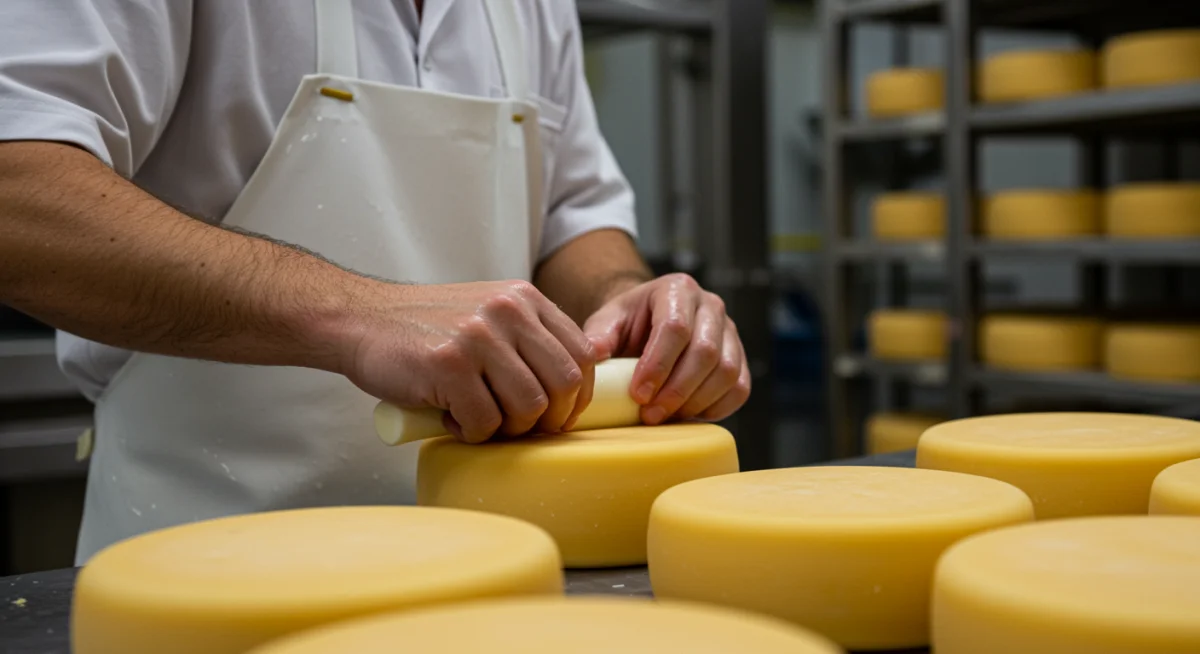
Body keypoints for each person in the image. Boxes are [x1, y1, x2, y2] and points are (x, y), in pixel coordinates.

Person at [0, 0, 751, 562]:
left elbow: (571, 209)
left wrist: (619, 295)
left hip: (486, 574)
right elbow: (17, 194)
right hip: (208, 565)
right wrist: (356, 315)